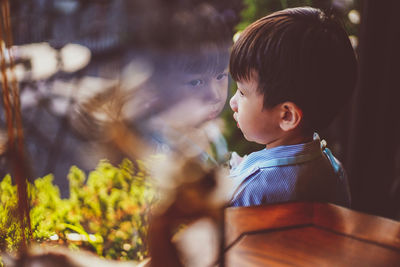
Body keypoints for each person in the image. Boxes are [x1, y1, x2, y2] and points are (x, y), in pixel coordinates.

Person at [228, 7, 357, 207]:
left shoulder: (249, 191)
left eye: (242, 93)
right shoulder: (334, 169)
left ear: (287, 116)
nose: (232, 103)